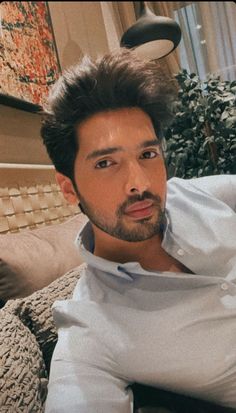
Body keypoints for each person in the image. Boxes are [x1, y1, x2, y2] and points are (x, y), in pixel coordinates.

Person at [41, 49, 236, 413]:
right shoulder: (90, 330)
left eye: (147, 155)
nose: (139, 183)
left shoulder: (196, 194)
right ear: (69, 189)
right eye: (106, 163)